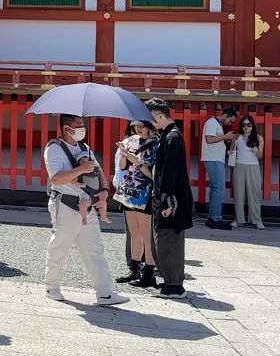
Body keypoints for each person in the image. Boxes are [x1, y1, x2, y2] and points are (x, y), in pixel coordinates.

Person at [43, 114, 128, 306]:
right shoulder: (54, 149)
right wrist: (81, 170)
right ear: (66, 129)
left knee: (95, 248)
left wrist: (105, 191)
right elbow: (55, 178)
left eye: (83, 125)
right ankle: (52, 286)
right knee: (60, 246)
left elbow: (98, 172)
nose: (82, 128)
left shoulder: (84, 148)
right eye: (78, 125)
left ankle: (105, 292)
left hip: (87, 203)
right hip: (65, 204)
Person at [147, 98, 193, 299]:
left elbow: (171, 172)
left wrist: (166, 199)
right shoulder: (166, 136)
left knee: (169, 241)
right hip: (165, 195)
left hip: (170, 198)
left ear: (158, 116)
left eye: (151, 118)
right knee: (163, 241)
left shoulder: (173, 137)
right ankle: (169, 281)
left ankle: (174, 284)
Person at [114, 120, 158, 287]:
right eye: (135, 126)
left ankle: (149, 271)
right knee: (134, 231)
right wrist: (124, 154)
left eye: (142, 126)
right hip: (128, 189)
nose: (138, 129)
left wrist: (137, 161)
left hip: (145, 190)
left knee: (146, 232)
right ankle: (134, 268)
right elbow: (122, 167)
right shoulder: (130, 140)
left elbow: (152, 173)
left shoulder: (156, 145)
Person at [201, 107, 238, 230]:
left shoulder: (217, 124)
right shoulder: (212, 122)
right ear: (226, 115)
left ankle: (213, 217)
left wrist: (226, 137)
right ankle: (215, 218)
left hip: (214, 159)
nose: (230, 123)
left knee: (215, 189)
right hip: (213, 159)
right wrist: (225, 136)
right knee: (219, 188)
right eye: (230, 120)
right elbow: (209, 139)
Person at [231, 115, 266, 230]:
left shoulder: (258, 138)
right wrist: (233, 141)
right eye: (243, 125)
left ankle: (257, 220)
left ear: (252, 125)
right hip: (239, 165)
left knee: (254, 194)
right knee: (238, 193)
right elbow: (231, 152)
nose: (246, 127)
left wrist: (256, 150)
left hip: (253, 166)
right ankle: (238, 219)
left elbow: (260, 156)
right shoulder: (238, 137)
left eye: (248, 125)